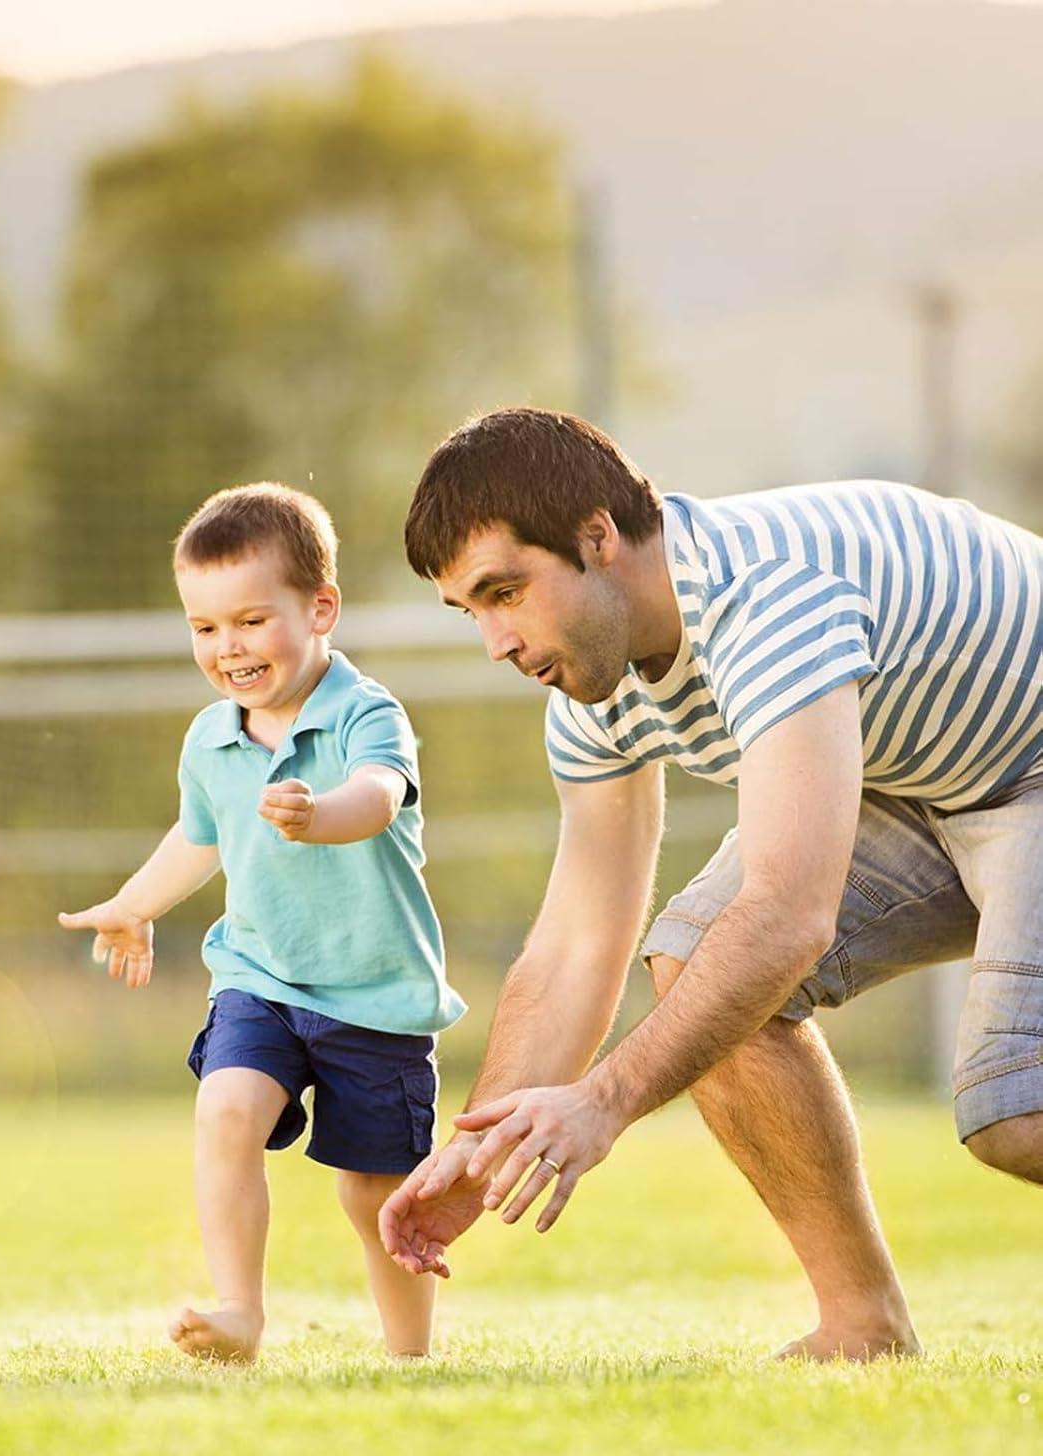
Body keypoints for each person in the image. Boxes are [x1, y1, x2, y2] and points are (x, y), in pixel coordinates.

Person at [378, 406, 1043, 1360]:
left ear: (598, 537)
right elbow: (574, 945)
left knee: (1016, 1112)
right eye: (472, 610)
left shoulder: (766, 600)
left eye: (506, 591)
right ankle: (864, 1329)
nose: (497, 641)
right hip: (933, 779)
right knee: (697, 962)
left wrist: (603, 1102)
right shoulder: (592, 689)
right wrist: (479, 1150)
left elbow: (787, 916)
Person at [59, 483, 465, 1363]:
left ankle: (408, 1351)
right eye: (204, 628)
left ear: (320, 609)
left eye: (249, 621)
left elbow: (378, 796)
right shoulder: (210, 737)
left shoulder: (368, 712)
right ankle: (239, 1311)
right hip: (260, 977)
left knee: (373, 1192)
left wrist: (316, 813)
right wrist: (134, 905)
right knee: (228, 1107)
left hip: (375, 995)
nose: (227, 648)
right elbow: (198, 836)